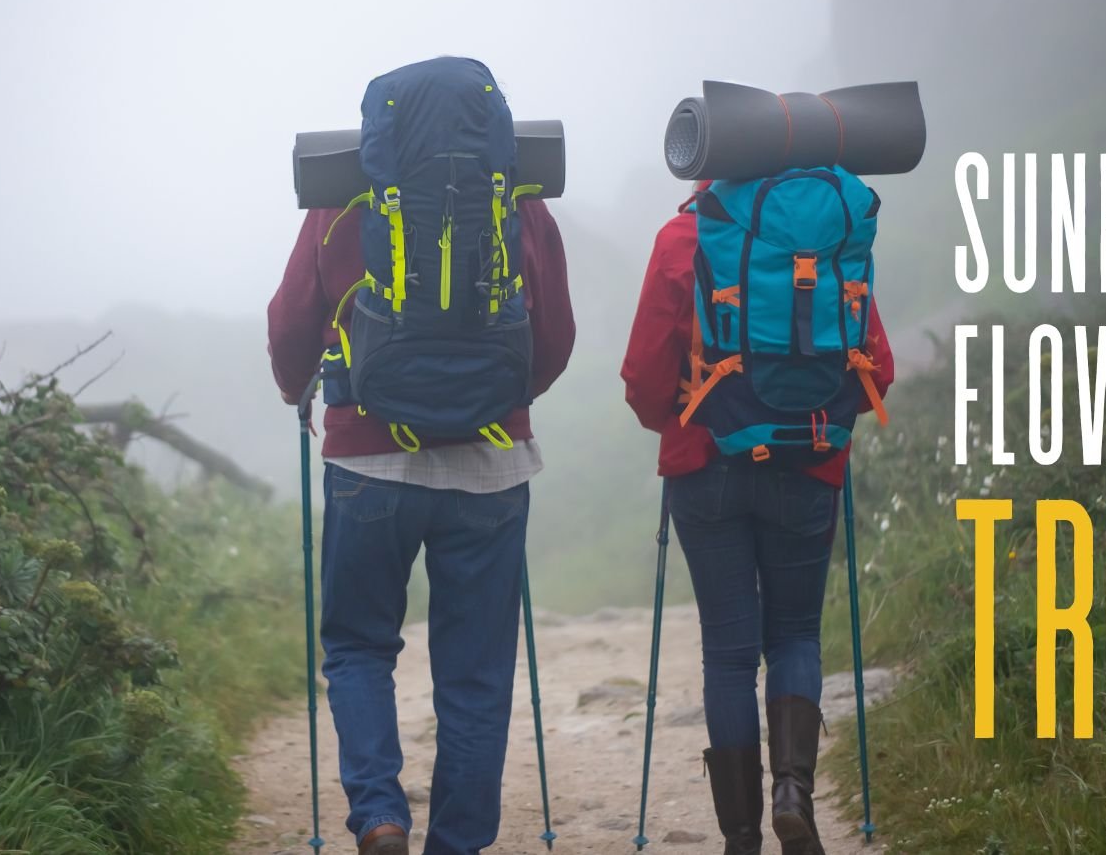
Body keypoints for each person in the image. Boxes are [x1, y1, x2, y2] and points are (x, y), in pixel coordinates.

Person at [267, 97, 575, 855]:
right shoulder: (518, 200)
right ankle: (457, 845)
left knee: (359, 647)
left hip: (368, 463)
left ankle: (379, 817)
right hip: (493, 464)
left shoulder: (342, 196)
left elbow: (288, 324)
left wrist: (296, 390)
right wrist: (509, 396)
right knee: (475, 675)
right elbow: (557, 333)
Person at [620, 181, 893, 855]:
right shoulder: (830, 239)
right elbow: (875, 369)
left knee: (729, 653)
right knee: (797, 634)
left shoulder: (683, 238)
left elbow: (644, 380)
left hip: (704, 465)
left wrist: (683, 415)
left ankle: (740, 837)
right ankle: (793, 794)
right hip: (808, 462)